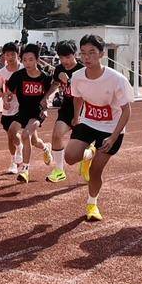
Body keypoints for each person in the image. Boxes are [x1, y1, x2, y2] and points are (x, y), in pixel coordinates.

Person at [63, 35, 134, 222]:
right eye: (83, 53)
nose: (87, 57)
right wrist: (76, 117)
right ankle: (88, 154)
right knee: (69, 157)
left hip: (111, 128)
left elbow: (127, 111)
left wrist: (113, 137)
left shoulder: (116, 79)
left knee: (96, 170)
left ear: (102, 54)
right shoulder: (77, 77)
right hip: (88, 122)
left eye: (92, 52)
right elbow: (77, 97)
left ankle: (92, 204)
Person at [4, 44, 54, 183]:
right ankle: (45, 147)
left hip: (37, 112)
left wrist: (46, 105)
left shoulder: (45, 77)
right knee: (14, 132)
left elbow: (50, 94)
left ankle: (25, 170)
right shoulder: (18, 75)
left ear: (37, 60)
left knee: (26, 135)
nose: (27, 63)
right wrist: (7, 99)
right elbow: (8, 93)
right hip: (23, 111)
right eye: (25, 60)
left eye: (31, 59)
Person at [43, 41, 85, 183]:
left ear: (75, 55)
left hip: (84, 111)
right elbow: (55, 84)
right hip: (67, 109)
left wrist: (70, 81)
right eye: (61, 58)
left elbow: (85, 93)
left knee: (80, 150)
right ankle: (59, 170)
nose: (64, 61)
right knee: (56, 135)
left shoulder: (83, 70)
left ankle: (88, 159)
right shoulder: (59, 69)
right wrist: (46, 97)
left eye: (67, 57)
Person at [0, 42, 24, 175]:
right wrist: (4, 96)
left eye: (13, 54)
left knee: (16, 133)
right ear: (4, 56)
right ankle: (13, 162)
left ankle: (22, 153)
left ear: (18, 54)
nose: (10, 57)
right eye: (7, 55)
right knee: (10, 136)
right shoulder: (1, 72)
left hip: (23, 108)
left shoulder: (24, 69)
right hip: (8, 109)